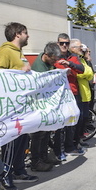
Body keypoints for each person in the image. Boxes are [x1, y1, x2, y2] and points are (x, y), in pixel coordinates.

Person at [0, 22, 38, 190]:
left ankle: (19, 170)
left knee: (22, 141)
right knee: (11, 144)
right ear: (18, 34)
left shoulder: (19, 53)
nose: (28, 36)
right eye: (26, 33)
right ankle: (5, 176)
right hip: (11, 108)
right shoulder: (5, 51)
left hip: (22, 106)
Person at [29, 42, 62, 172]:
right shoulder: (39, 67)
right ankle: (36, 161)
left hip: (45, 104)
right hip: (39, 105)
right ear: (47, 55)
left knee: (46, 132)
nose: (55, 62)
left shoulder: (48, 64)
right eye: (54, 59)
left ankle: (44, 156)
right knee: (38, 134)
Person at [54, 35, 86, 157]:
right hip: (59, 94)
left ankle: (70, 146)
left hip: (73, 93)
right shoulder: (54, 56)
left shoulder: (72, 57)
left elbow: (81, 69)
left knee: (73, 122)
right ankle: (58, 150)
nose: (64, 45)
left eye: (66, 43)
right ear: (58, 43)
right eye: (62, 43)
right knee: (59, 125)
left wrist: (69, 64)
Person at [72, 40, 95, 148]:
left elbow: (90, 73)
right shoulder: (73, 59)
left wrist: (85, 73)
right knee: (79, 119)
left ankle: (80, 139)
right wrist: (85, 74)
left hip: (86, 93)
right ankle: (75, 142)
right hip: (80, 92)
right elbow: (78, 74)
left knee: (84, 118)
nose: (82, 49)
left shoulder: (82, 60)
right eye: (79, 47)